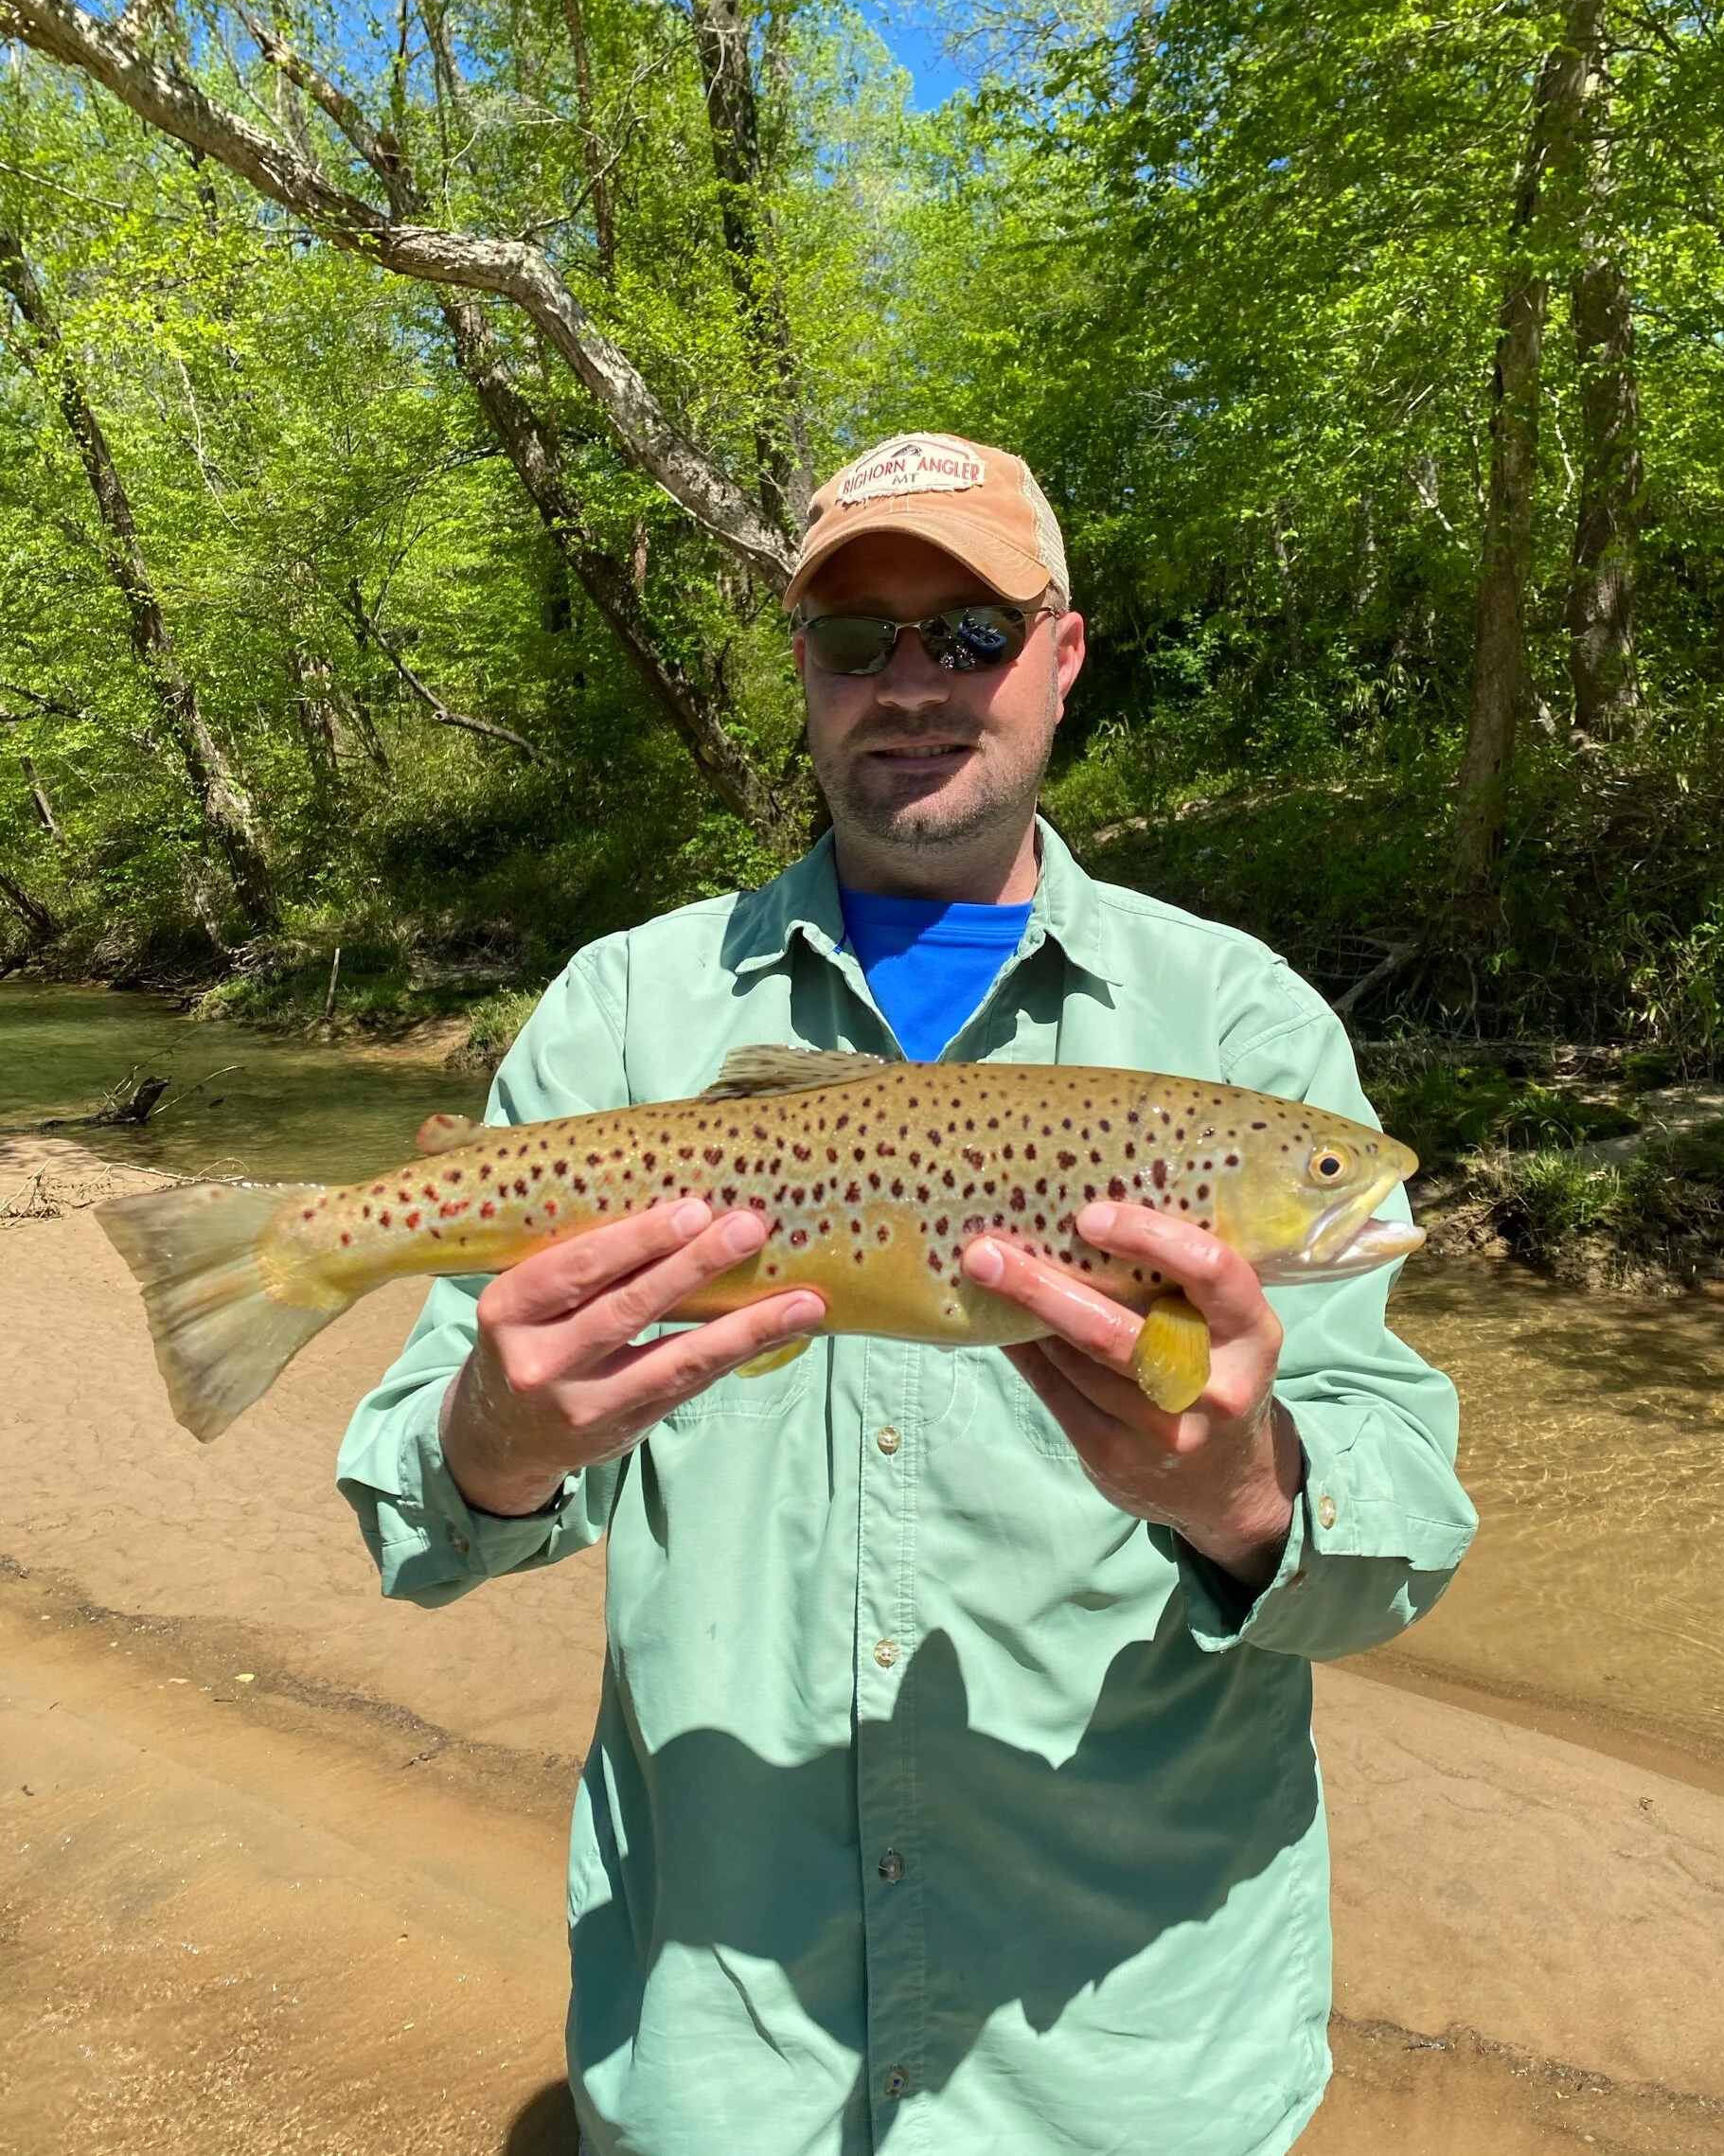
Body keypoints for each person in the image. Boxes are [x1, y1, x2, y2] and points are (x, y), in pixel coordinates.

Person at [338, 432, 1476, 2156]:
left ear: (1063, 656)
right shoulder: (620, 1013)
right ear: (802, 668)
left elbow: (1398, 1548)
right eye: (857, 637)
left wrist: (1245, 1498)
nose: (913, 681)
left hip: (1123, 2065)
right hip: (722, 2050)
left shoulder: (1237, 1025)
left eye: (971, 633)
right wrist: (497, 1439)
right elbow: (416, 1528)